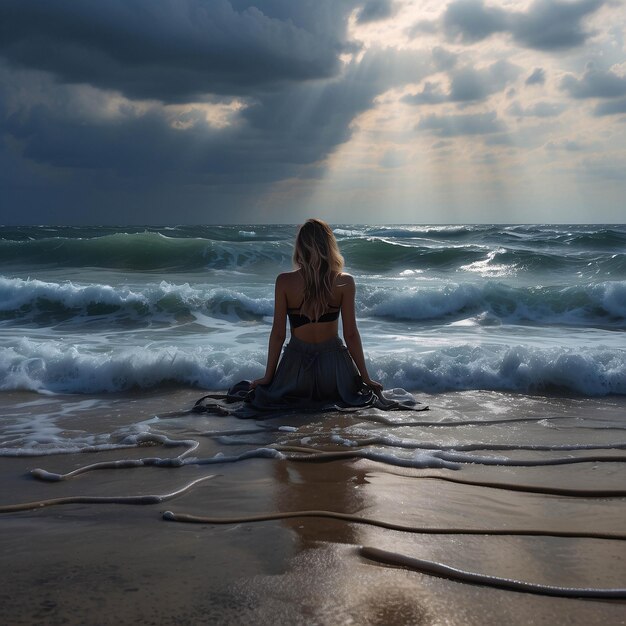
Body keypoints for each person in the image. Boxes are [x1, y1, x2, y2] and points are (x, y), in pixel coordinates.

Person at [193, 219, 426, 416]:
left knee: (250, 394)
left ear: (300, 247)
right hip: (335, 374)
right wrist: (365, 378)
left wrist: (268, 376)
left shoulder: (284, 282)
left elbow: (278, 334)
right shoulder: (345, 281)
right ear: (329, 245)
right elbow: (351, 335)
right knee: (353, 398)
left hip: (296, 372)